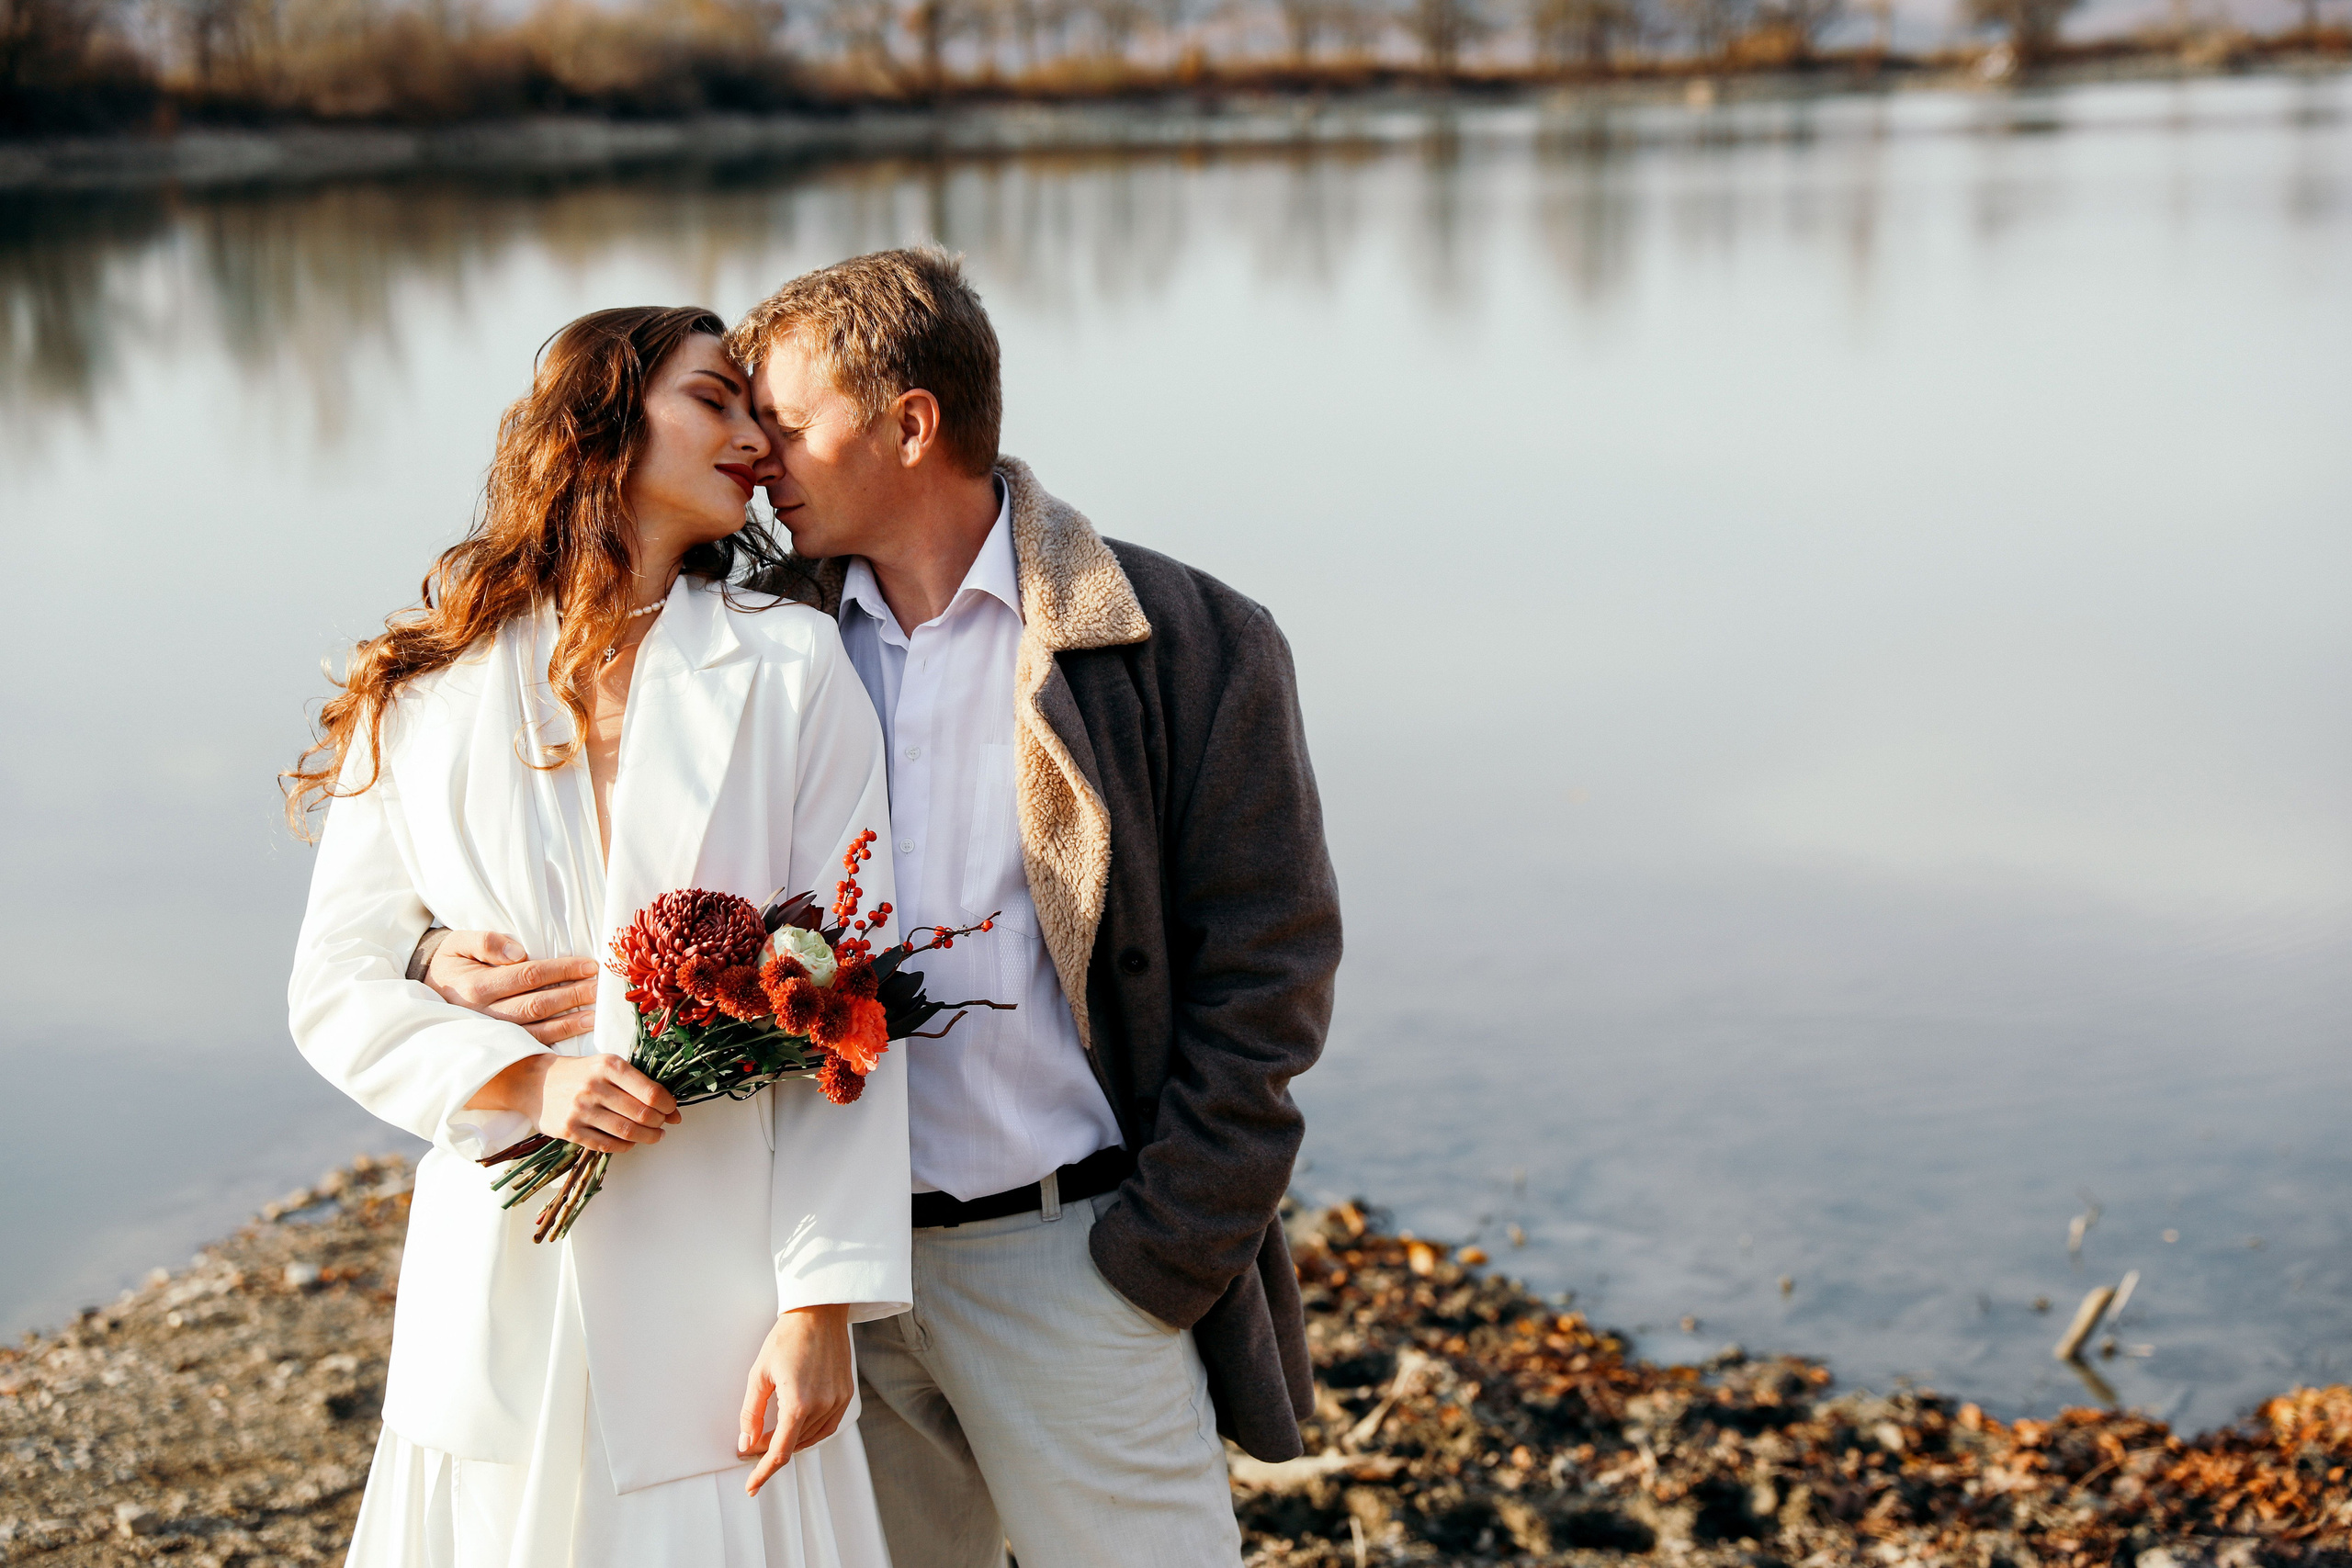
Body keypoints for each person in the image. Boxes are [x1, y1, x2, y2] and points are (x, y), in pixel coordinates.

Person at [418, 250, 1342, 1568]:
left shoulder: (1184, 640)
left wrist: (1164, 1254)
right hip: (801, 1286)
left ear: (910, 425)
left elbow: (1271, 969)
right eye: (738, 418)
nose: (757, 456)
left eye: (786, 423)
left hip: (1073, 1263)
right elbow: (537, 826)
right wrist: (428, 948)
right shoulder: (750, 636)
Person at [284, 305, 909, 1568]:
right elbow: (336, 983)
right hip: (501, 1275)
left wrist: (824, 1304)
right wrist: (522, 1077)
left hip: (721, 1290)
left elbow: (852, 1003)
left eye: (758, 413)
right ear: (602, 429)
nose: (756, 441)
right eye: (715, 401)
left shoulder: (791, 667)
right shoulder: (423, 690)